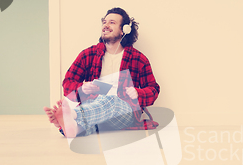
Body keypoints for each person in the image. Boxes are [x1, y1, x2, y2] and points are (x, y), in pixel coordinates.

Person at [44, 7, 160, 138]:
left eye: (112, 22)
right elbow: (67, 83)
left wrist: (138, 92)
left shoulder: (138, 58)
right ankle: (73, 127)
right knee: (94, 116)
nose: (106, 25)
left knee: (110, 100)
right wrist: (82, 88)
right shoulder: (88, 54)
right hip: (94, 107)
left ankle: (72, 114)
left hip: (124, 111)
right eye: (104, 22)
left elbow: (154, 89)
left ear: (124, 30)